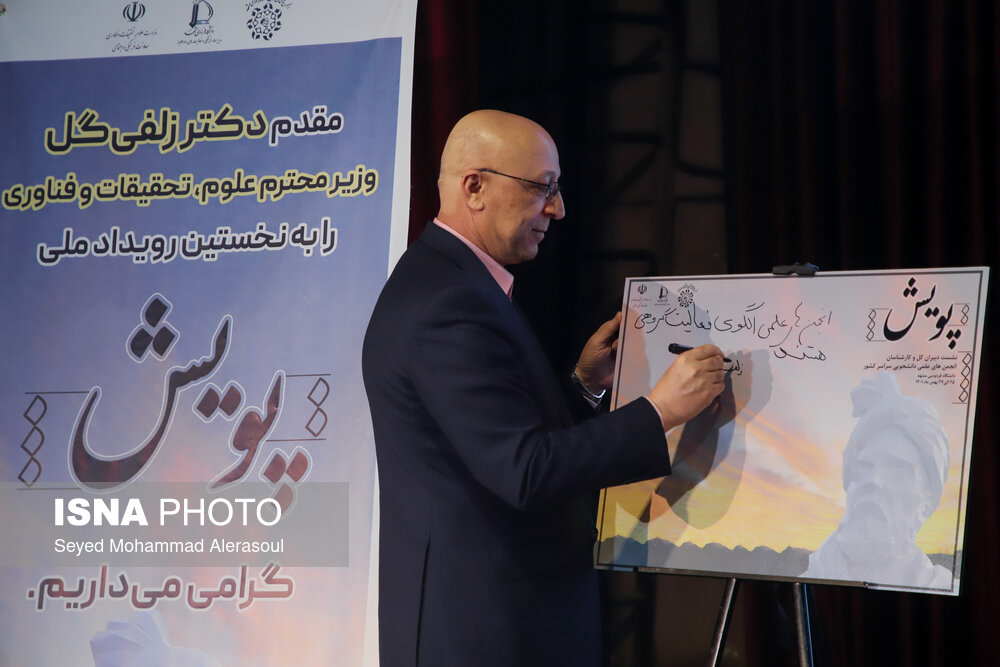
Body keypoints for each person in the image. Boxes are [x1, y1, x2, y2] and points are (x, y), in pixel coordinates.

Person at [362, 109, 725, 666]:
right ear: (475, 188)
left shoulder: (454, 282)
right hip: (486, 632)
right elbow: (524, 470)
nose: (557, 209)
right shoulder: (447, 303)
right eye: (542, 188)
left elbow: (493, 437)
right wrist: (661, 409)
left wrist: (581, 386)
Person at [803, 371, 952, 589]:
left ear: (927, 503)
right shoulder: (811, 578)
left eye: (898, 472)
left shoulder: (939, 587)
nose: (873, 481)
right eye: (865, 467)